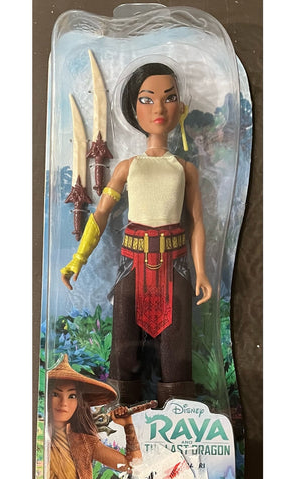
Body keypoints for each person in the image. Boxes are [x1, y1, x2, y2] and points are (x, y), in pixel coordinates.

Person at [61, 62, 212, 406]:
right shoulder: (127, 167)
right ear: (134, 108)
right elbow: (101, 214)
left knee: (176, 351)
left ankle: (177, 413)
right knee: (123, 347)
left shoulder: (185, 169)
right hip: (133, 264)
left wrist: (202, 272)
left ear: (181, 107)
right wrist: (78, 258)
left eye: (169, 98)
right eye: (147, 99)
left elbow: (196, 221)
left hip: (175, 266)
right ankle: (120, 412)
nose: (159, 108)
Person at [46, 354, 141, 479]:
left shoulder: (85, 442)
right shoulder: (38, 434)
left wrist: (128, 425)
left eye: (72, 396)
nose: (63, 403)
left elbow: (133, 466)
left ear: (79, 401)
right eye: (55, 394)